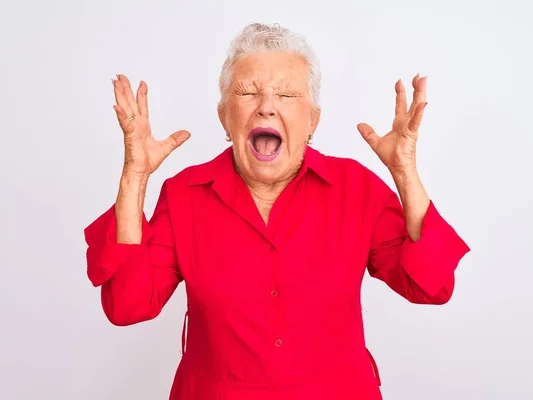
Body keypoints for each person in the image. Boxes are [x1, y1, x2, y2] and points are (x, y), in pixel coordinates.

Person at [84, 22, 470, 400]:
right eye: (248, 92)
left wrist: (404, 170)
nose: (267, 107)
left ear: (312, 121)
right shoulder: (185, 194)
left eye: (286, 96)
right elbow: (127, 305)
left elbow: (431, 285)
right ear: (224, 117)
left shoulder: (357, 189)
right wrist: (134, 177)